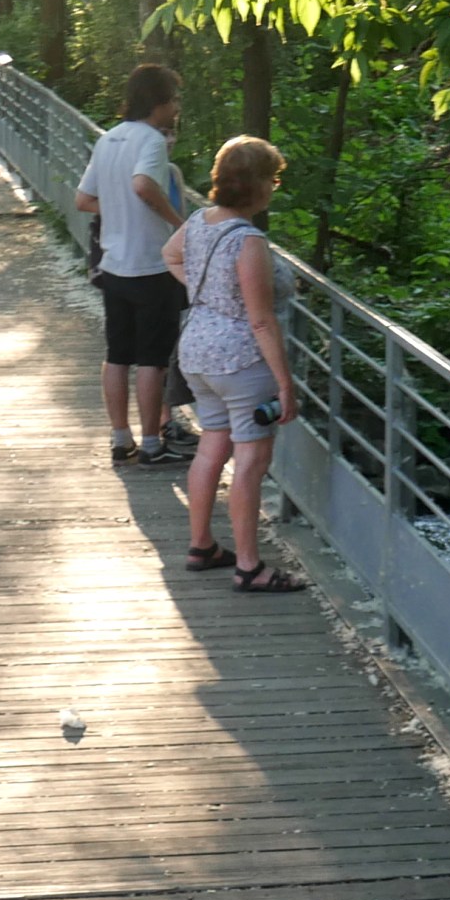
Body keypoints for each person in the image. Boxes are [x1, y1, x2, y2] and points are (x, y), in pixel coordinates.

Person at [163, 136, 303, 593]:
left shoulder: (200, 221)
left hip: (197, 353)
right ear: (260, 185)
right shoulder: (248, 241)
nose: (274, 188)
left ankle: (201, 544)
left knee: (211, 448)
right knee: (250, 461)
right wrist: (285, 384)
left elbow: (170, 255)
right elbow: (261, 320)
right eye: (274, 179)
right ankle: (249, 566)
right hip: (242, 362)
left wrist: (205, 297)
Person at [74, 64, 187, 466]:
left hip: (114, 265)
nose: (175, 108)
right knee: (153, 360)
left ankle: (121, 439)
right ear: (157, 103)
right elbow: (142, 186)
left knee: (118, 355)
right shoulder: (151, 141)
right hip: (151, 266)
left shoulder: (109, 139)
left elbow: (83, 199)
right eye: (173, 99)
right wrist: (178, 223)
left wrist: (118, 209)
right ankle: (153, 444)